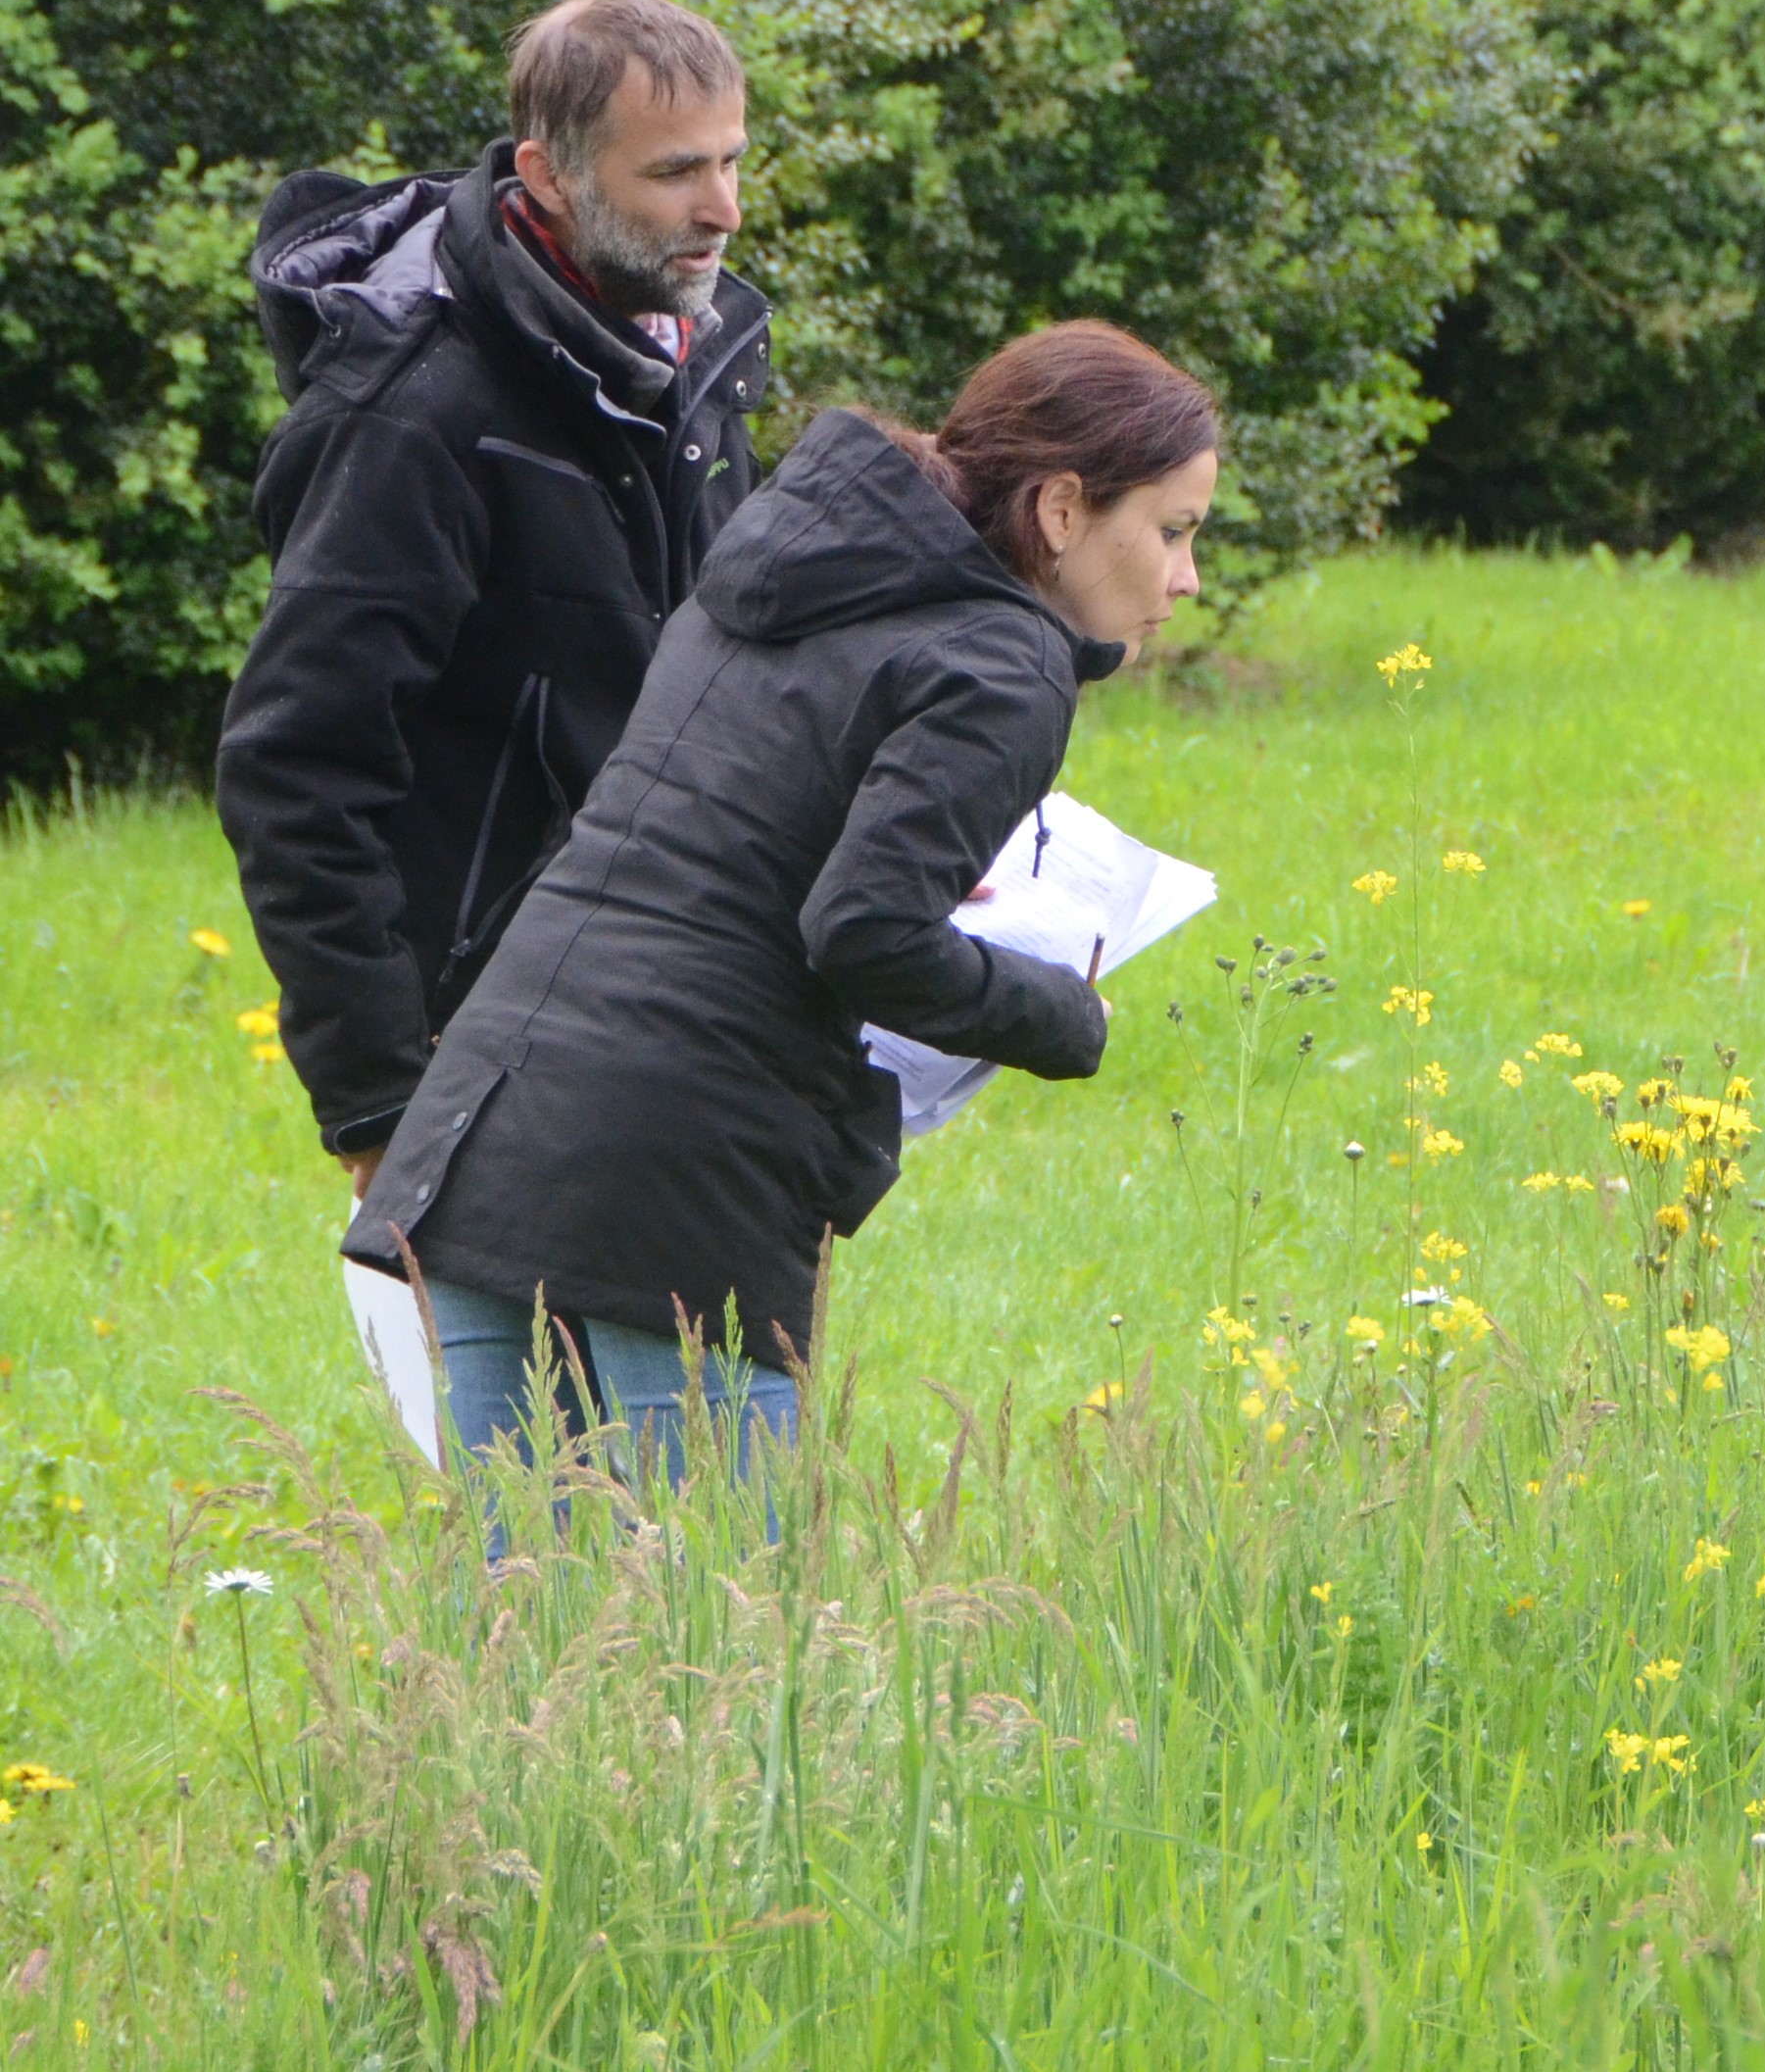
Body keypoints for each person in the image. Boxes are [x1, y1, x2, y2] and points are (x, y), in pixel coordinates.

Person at [340, 323, 1220, 1492]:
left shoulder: (777, 569)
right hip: (674, 1179)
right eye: (1170, 530)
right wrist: (1062, 1013)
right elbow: (863, 929)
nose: (1184, 579)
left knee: (521, 1627)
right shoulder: (1006, 659)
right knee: (717, 1632)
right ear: (1062, 509)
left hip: (487, 1129)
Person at [221, 0, 775, 1195]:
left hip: (685, 1014)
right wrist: (378, 1098)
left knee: (708, 1389)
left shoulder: (696, 358)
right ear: (550, 173)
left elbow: (722, 677)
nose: (724, 211)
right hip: (482, 1054)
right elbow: (295, 766)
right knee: (534, 1396)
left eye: (733, 161)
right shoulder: (417, 412)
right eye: (676, 171)